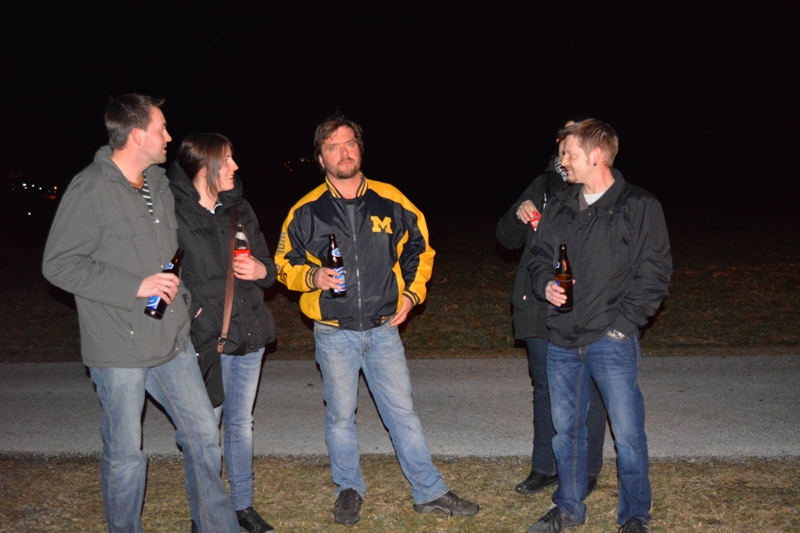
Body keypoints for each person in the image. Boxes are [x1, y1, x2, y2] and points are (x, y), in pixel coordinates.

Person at [42, 94, 239, 533]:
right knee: (127, 455)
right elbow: (59, 265)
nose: (168, 136)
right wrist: (135, 286)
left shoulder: (158, 184)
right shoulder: (90, 189)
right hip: (118, 348)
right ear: (136, 135)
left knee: (203, 435)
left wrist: (184, 301)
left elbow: (169, 254)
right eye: (161, 129)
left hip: (170, 339)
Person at [274, 116, 479, 525]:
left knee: (403, 413)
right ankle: (349, 489)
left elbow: (420, 250)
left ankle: (429, 491)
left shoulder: (391, 200)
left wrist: (412, 295)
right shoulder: (305, 211)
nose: (343, 152)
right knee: (340, 417)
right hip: (334, 332)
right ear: (320, 158)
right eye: (332, 146)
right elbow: (283, 264)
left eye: (349, 143)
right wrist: (312, 276)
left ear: (360, 149)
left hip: (384, 329)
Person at [525, 119, 671, 533]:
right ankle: (569, 508)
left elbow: (655, 274)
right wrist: (545, 284)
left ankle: (635, 515)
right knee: (566, 433)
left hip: (611, 340)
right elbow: (538, 259)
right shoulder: (560, 205)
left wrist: (622, 327)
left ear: (597, 156)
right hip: (562, 339)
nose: (563, 162)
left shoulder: (638, 205)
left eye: (569, 154)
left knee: (628, 435)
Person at [167, 133, 277, 533]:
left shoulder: (239, 208)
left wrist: (261, 270)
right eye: (226, 159)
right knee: (203, 432)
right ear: (203, 166)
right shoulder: (173, 212)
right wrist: (193, 314)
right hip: (205, 339)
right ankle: (206, 516)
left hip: (249, 331)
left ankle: (242, 507)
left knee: (240, 424)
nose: (235, 166)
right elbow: (165, 273)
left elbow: (269, 266)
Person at [496, 118, 608, 497]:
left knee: (588, 388)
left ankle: (586, 470)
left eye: (573, 140)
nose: (566, 148)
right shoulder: (543, 186)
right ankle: (544, 467)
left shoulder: (599, 188)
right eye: (562, 141)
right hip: (537, 304)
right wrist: (519, 215)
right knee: (545, 388)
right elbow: (505, 238)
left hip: (583, 307)